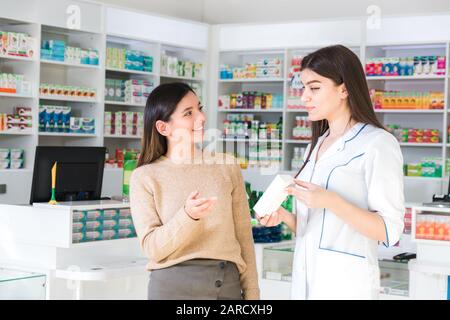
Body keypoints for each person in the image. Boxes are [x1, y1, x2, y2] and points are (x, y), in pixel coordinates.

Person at [259, 45, 404, 299]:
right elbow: (315, 228)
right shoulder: (313, 148)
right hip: (305, 283)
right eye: (303, 87)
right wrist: (284, 216)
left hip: (346, 286)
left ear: (344, 89)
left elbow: (389, 231)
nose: (304, 97)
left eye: (314, 88)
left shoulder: (377, 144)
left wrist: (331, 201)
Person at [129, 82, 259, 300]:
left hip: (226, 285)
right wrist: (187, 216)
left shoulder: (226, 166)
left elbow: (244, 237)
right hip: (173, 289)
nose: (201, 117)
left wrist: (253, 294)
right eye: (189, 113)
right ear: (163, 128)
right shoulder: (145, 176)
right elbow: (152, 248)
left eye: (200, 108)